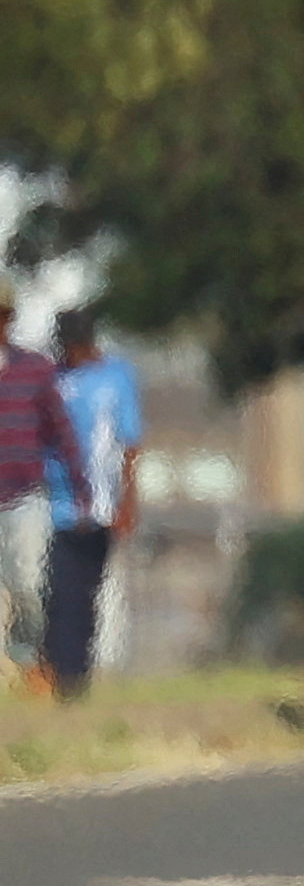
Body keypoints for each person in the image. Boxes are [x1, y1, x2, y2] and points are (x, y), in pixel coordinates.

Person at [40, 310, 141, 701]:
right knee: (55, 592)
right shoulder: (54, 379)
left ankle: (74, 677)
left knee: (84, 593)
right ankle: (58, 672)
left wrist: (128, 502)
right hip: (55, 503)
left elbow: (130, 444)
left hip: (102, 506)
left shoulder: (117, 377)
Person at [0, 285, 86, 691]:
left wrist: (80, 487)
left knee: (29, 584)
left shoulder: (34, 370)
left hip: (25, 496)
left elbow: (61, 431)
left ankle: (28, 658)